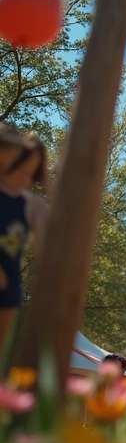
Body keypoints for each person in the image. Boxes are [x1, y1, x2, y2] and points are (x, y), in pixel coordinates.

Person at [0, 124, 49, 346]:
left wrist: (48, 184)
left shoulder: (31, 204)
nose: (28, 181)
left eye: (34, 174)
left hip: (9, 290)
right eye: (23, 171)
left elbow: (46, 251)